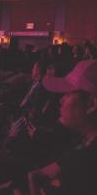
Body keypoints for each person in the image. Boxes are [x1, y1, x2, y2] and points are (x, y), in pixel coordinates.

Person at [25, 60, 97, 194]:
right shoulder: (82, 142)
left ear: (91, 104)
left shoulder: (88, 162)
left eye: (69, 93)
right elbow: (37, 175)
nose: (61, 99)